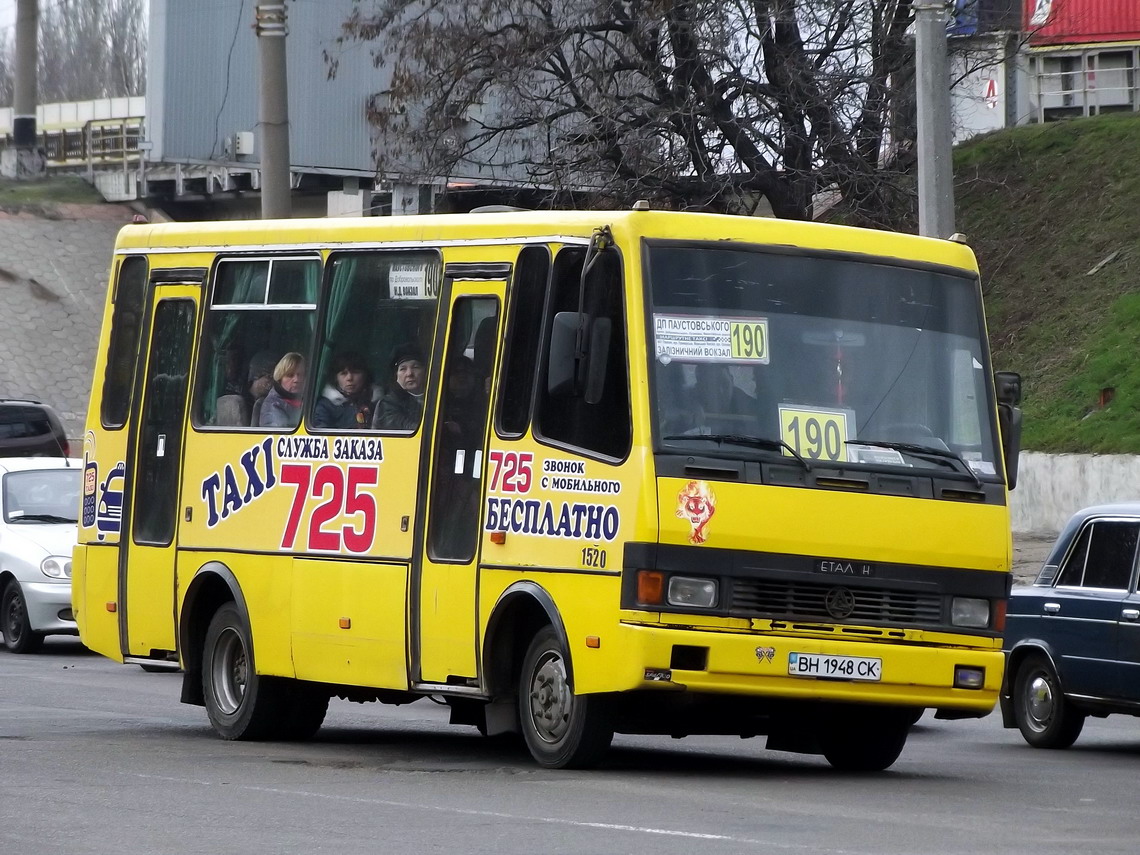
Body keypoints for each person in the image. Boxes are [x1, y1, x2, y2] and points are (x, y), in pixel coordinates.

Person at [313, 351, 376, 429]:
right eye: (343, 373)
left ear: (365, 375)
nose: (349, 378)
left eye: (355, 372)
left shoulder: (377, 403)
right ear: (336, 378)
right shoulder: (325, 406)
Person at [373, 343, 427, 431]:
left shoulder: (439, 397)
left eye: (415, 367)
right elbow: (404, 427)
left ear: (425, 371)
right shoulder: (388, 403)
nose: (409, 374)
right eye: (403, 369)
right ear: (396, 376)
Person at [258, 352, 306, 428]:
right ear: (280, 378)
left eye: (300, 375)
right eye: (290, 375)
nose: (297, 380)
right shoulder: (273, 405)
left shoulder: (309, 401)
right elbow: (279, 436)